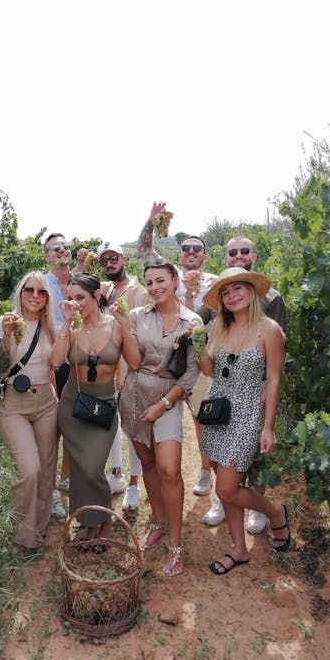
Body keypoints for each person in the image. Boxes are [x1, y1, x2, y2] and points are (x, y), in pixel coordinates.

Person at [197, 267, 290, 574]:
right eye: (225, 291)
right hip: (216, 413)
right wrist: (198, 344)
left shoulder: (270, 330)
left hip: (247, 415)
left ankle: (276, 513)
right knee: (224, 482)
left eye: (238, 288)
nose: (232, 295)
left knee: (226, 489)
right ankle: (238, 549)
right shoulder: (219, 328)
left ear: (251, 292)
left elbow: (274, 380)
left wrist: (268, 426)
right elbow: (209, 369)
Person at [119, 259, 202, 576]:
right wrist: (123, 330)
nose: (155, 288)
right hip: (136, 394)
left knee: (169, 469)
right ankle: (158, 521)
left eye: (160, 281)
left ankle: (176, 547)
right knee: (148, 462)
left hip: (168, 398)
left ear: (175, 280)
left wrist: (164, 404)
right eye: (149, 282)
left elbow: (191, 372)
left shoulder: (191, 322)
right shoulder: (138, 316)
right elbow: (135, 360)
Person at [50, 273, 139, 541]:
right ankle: (87, 525)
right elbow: (55, 361)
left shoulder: (114, 325)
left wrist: (125, 324)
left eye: (81, 298)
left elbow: (134, 362)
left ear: (96, 296)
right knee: (79, 470)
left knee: (91, 468)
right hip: (72, 405)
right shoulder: (72, 327)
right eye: (70, 298)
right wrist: (65, 324)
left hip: (103, 405)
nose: (75, 304)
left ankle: (105, 520)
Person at [137, 202, 218, 499]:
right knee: (161, 416)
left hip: (197, 361)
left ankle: (206, 471)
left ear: (205, 255)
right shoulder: (167, 275)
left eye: (197, 248)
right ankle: (158, 477)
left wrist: (195, 294)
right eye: (186, 248)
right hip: (165, 360)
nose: (192, 252)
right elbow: (144, 249)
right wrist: (151, 221)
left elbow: (203, 320)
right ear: (180, 253)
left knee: (201, 419)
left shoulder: (215, 282)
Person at [0, 271, 58, 556]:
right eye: (29, 290)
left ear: (46, 299)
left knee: (45, 471)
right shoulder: (5, 322)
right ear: (20, 293)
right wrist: (6, 337)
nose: (34, 295)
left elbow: (56, 364)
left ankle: (37, 531)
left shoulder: (49, 325)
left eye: (41, 292)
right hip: (14, 406)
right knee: (28, 469)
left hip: (46, 403)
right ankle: (21, 535)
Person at [96, 240, 149, 510]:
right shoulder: (101, 291)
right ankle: (115, 475)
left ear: (124, 259)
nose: (109, 264)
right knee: (110, 424)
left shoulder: (139, 292)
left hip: (131, 369)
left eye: (113, 258)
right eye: (104, 261)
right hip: (107, 369)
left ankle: (133, 484)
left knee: (133, 428)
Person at [43, 232, 84, 518]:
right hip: (53, 363)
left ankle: (67, 477)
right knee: (51, 429)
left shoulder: (77, 280)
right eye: (55, 248)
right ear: (46, 256)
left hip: (79, 362)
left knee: (74, 422)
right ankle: (52, 493)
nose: (61, 251)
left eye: (65, 246)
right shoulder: (41, 285)